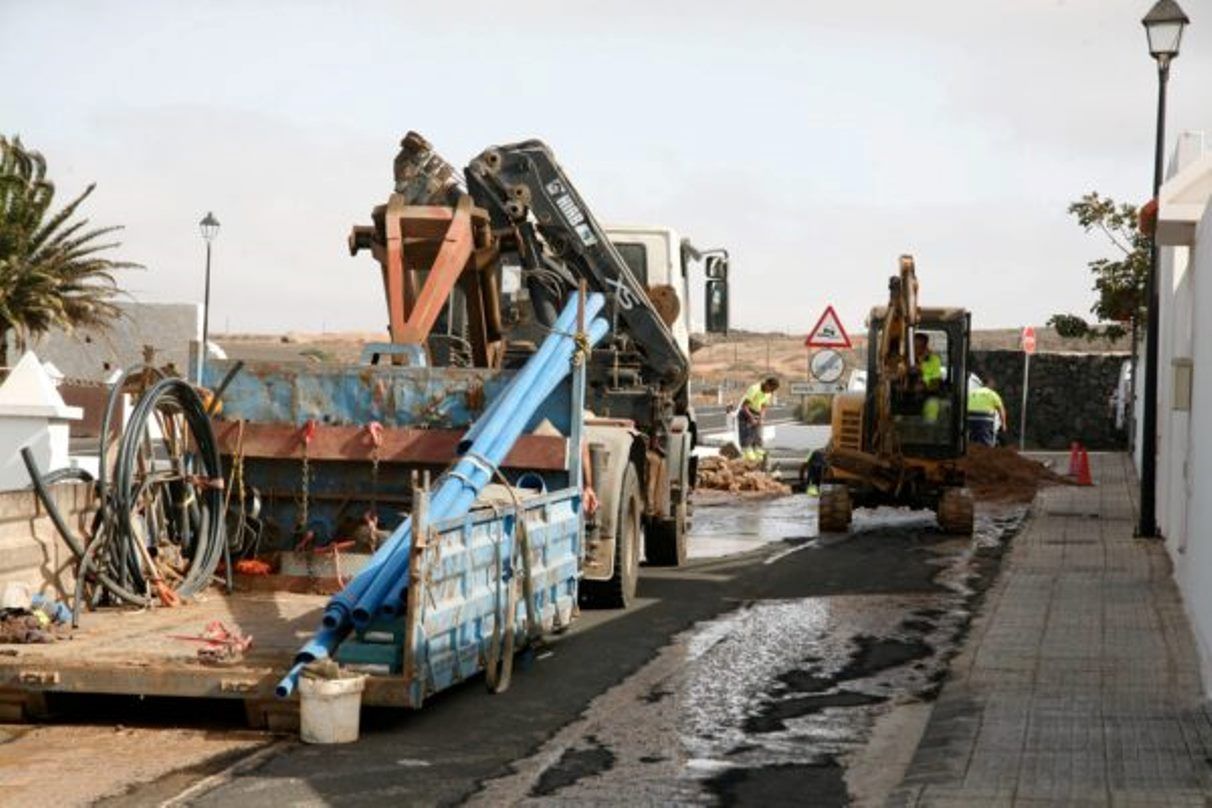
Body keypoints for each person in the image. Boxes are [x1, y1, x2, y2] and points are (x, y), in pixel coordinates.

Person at [739, 376, 779, 461]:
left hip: (757, 413)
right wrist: (751, 418)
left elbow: (763, 406)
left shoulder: (769, 393)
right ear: (767, 384)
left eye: (773, 390)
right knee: (747, 437)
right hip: (746, 413)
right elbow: (744, 406)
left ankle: (758, 453)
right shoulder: (754, 389)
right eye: (771, 389)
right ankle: (747, 454)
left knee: (758, 435)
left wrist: (761, 418)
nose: (771, 392)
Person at [967, 378, 1008, 447]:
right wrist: (1003, 424)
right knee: (986, 440)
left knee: (972, 439)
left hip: (970, 417)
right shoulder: (992, 394)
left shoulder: (972, 392)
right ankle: (986, 452)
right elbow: (1001, 410)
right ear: (989, 384)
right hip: (985, 419)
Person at [913, 333, 943, 423]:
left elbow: (935, 383)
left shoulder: (934, 359)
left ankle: (929, 427)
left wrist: (923, 382)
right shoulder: (905, 358)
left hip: (927, 395)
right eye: (915, 346)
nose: (917, 349)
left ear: (925, 346)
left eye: (920, 346)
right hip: (906, 396)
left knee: (932, 404)